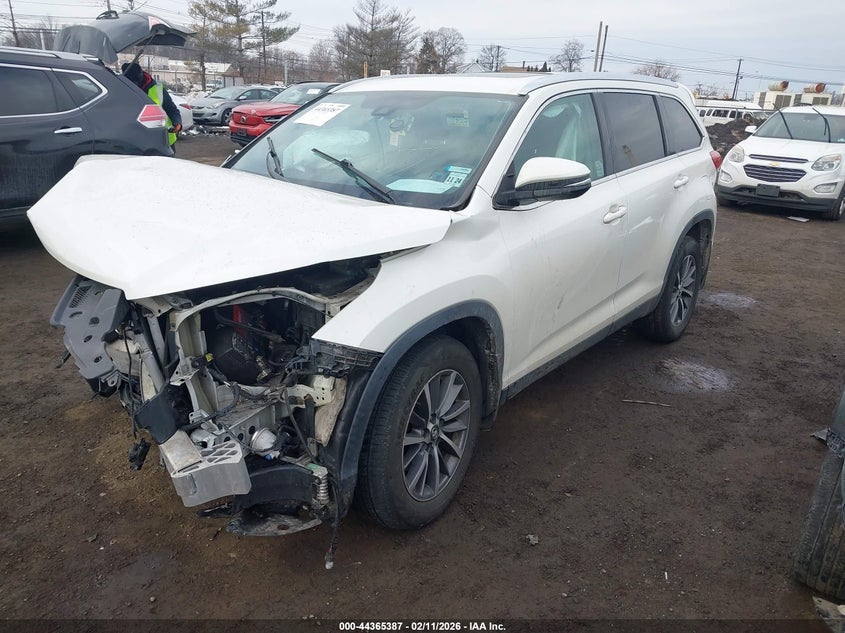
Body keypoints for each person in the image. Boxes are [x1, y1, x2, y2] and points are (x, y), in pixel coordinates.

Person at [121, 62, 182, 153]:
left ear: (140, 77)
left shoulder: (157, 89)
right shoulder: (122, 90)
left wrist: (177, 122)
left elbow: (171, 109)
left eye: (135, 82)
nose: (134, 85)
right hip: (136, 141)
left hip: (164, 140)